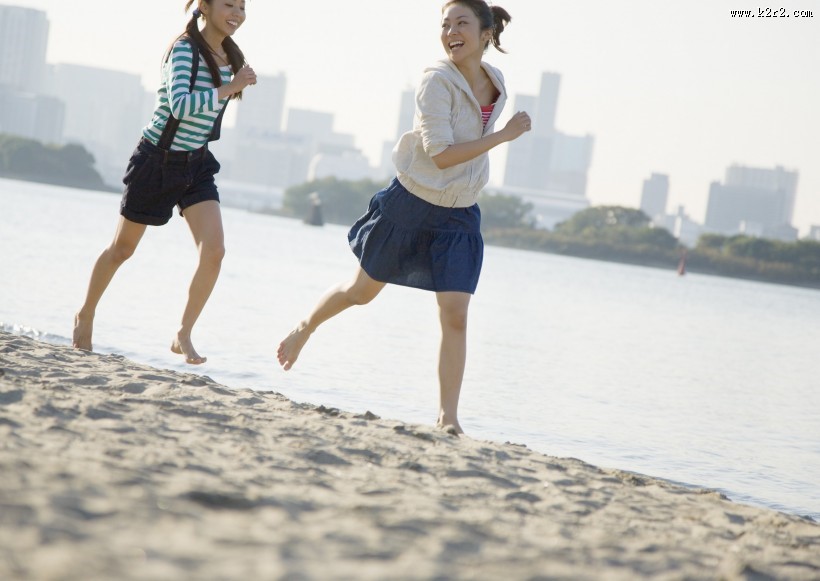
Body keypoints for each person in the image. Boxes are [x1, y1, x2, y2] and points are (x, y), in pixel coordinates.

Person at [277, 0, 532, 434]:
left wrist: (497, 139)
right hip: (413, 200)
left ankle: (447, 418)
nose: (451, 31)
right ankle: (305, 326)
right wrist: (504, 137)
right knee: (361, 292)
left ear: (486, 32)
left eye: (461, 23)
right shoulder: (435, 81)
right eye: (445, 24)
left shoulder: (497, 81)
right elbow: (442, 154)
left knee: (456, 314)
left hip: (460, 212)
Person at [72, 0, 256, 364]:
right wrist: (230, 86)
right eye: (228, 4)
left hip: (197, 163)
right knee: (122, 249)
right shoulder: (184, 49)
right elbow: (179, 106)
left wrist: (236, 81)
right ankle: (86, 314)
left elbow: (209, 112)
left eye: (242, 6)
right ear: (204, 6)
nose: (237, 12)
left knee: (214, 252)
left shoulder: (232, 55)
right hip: (157, 159)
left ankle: (182, 333)